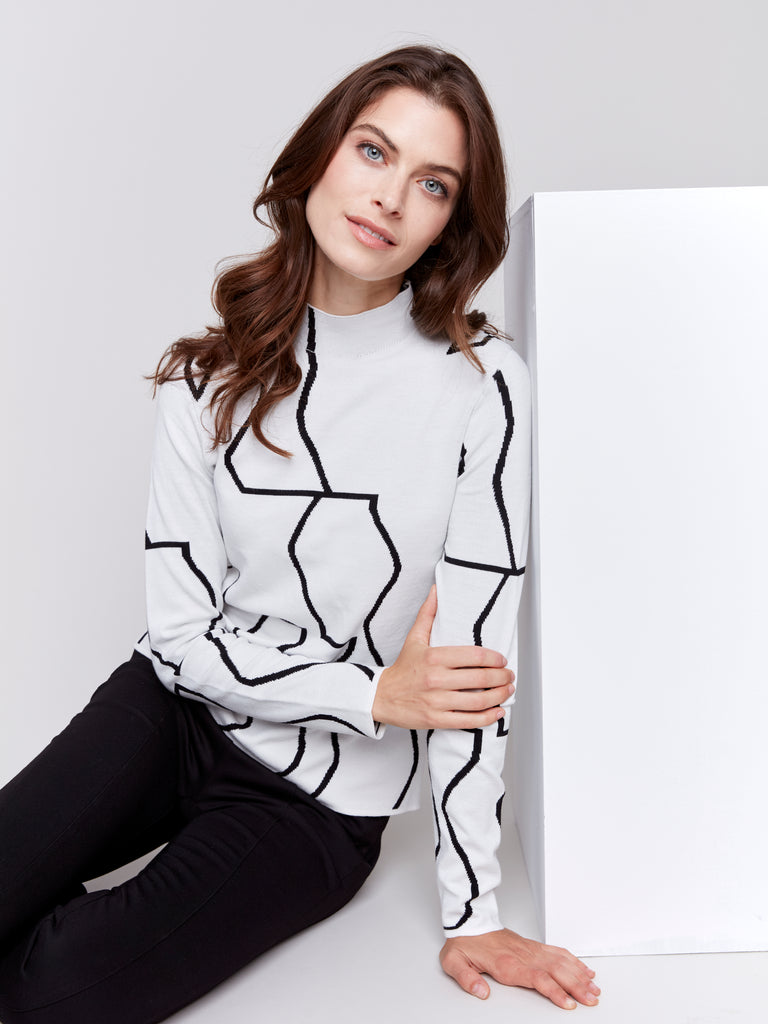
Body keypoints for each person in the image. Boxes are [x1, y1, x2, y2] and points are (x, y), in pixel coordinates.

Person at [0, 45, 600, 1022]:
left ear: (452, 220)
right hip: (172, 712)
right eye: (374, 150)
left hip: (318, 801)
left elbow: (468, 674)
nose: (390, 197)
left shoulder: (482, 385)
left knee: (50, 995)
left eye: (433, 184)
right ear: (322, 154)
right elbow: (181, 640)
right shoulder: (205, 379)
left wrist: (473, 911)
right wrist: (374, 692)